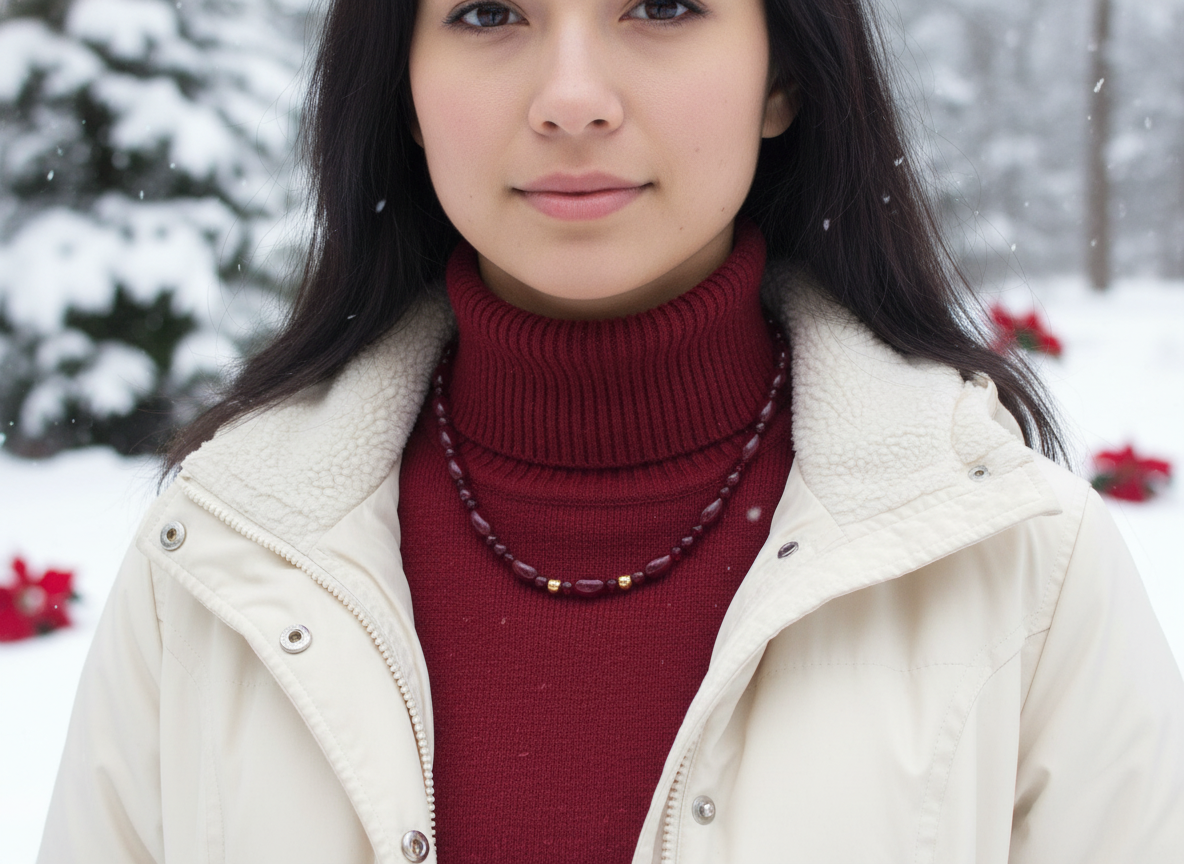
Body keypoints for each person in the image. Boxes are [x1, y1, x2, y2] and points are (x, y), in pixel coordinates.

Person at [37, 0, 1184, 860]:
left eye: (662, 7)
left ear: (781, 73)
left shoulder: (1010, 561)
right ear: (403, 81)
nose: (571, 96)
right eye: (489, 13)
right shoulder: (225, 557)